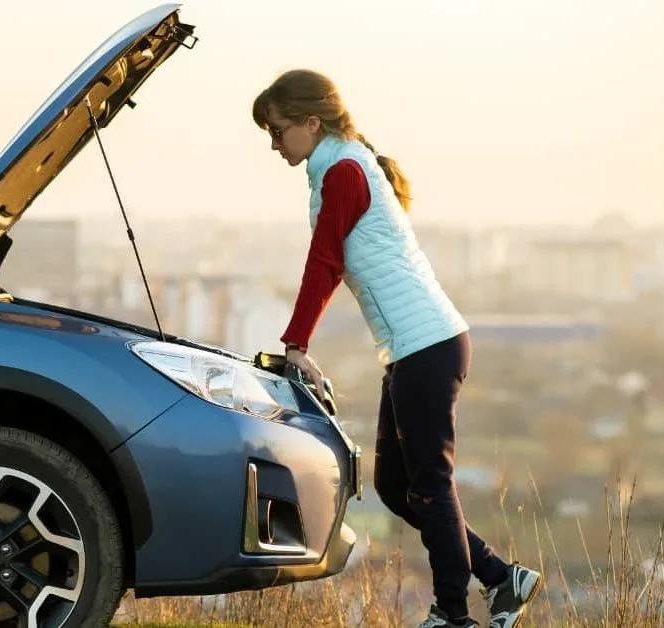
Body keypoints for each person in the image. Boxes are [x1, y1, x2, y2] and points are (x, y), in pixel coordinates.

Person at [252, 69, 542, 628]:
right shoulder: (342, 163)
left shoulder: (342, 170)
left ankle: (451, 614)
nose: (273, 143)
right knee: (392, 485)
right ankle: (503, 579)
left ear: (313, 122)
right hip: (416, 349)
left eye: (278, 129)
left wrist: (296, 343)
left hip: (426, 347)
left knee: (430, 483)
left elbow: (326, 262)